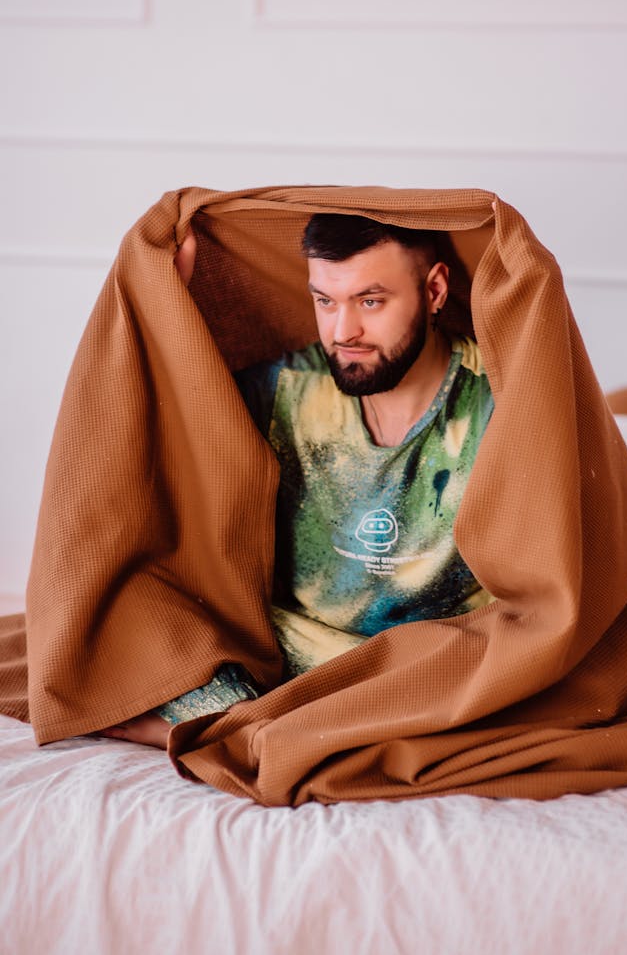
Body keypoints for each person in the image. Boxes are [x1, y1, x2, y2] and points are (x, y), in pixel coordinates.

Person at [101, 214, 494, 749]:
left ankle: (236, 730)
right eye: (325, 302)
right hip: (289, 661)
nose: (342, 331)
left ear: (434, 290)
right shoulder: (286, 387)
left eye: (370, 301)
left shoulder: (498, 399)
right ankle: (255, 723)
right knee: (130, 618)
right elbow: (157, 438)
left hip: (437, 670)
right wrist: (163, 301)